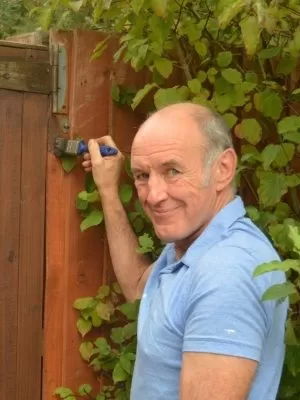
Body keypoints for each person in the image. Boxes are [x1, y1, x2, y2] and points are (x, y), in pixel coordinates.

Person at [82, 103, 287, 400]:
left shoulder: (226, 273)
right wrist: (108, 190)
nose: (154, 195)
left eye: (172, 171)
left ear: (222, 169)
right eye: (142, 176)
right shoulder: (196, 246)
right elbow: (141, 286)